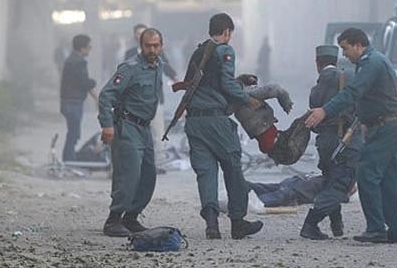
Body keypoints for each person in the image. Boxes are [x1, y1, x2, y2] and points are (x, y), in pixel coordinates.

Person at [305, 28, 397, 244]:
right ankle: (396, 231)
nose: (344, 54)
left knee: (367, 174)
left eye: (345, 48)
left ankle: (376, 229)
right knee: (389, 180)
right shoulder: (371, 62)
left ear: (358, 45)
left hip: (385, 127)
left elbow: (353, 92)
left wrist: (325, 111)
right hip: (388, 125)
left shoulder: (371, 63)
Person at [183, 13, 263, 240]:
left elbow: (201, 83)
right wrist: (248, 99)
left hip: (194, 121)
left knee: (206, 172)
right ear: (227, 32)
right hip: (216, 121)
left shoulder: (199, 51)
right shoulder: (225, 50)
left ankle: (212, 224)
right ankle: (238, 223)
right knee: (233, 168)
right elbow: (226, 84)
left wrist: (238, 80)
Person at [98, 28, 164, 237]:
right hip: (127, 126)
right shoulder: (130, 68)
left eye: (155, 45)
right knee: (129, 174)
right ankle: (113, 219)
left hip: (144, 128)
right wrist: (107, 125)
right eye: (148, 46)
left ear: (161, 46)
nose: (152, 50)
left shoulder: (158, 66)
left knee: (148, 175)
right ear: (141, 46)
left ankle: (131, 217)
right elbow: (106, 96)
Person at [300, 45, 362, 240]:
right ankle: (311, 224)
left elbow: (313, 112)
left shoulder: (318, 87)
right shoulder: (348, 78)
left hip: (325, 142)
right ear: (336, 61)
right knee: (342, 184)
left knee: (331, 180)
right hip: (344, 140)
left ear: (317, 63)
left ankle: (336, 224)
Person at [124, 23, 178, 171]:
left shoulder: (157, 51)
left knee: (158, 132)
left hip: (155, 99)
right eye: (138, 34)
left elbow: (167, 67)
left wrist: (176, 79)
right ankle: (139, 163)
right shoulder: (130, 53)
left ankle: (159, 163)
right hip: (136, 101)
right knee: (137, 132)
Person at [232, 74, 310, 165]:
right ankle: (313, 116)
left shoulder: (235, 98)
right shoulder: (249, 93)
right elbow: (275, 89)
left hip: (269, 138)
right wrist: (285, 101)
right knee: (304, 124)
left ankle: (312, 116)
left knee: (301, 124)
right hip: (271, 139)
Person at [60, 34, 98, 162]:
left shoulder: (72, 60)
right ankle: (69, 160)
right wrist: (96, 95)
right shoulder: (78, 62)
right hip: (72, 102)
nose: (90, 49)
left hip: (70, 102)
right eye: (89, 47)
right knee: (74, 134)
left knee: (73, 133)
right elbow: (84, 82)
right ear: (82, 48)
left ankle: (69, 159)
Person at [247, 173, 356, 208]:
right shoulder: (336, 188)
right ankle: (243, 200)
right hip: (296, 191)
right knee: (261, 201)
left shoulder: (331, 176)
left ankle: (242, 185)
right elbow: (338, 198)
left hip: (295, 181)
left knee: (265, 187)